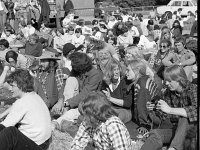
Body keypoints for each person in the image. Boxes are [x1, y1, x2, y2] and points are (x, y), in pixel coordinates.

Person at [141, 65, 197, 150]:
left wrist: (170, 110)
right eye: (166, 80)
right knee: (156, 134)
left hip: (193, 132)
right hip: (178, 131)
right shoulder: (169, 92)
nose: (166, 83)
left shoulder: (193, 89)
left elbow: (196, 110)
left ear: (179, 80)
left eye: (169, 81)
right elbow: (164, 115)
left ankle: (174, 148)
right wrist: (156, 108)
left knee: (184, 117)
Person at [0, 69, 51, 150]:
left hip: (35, 144)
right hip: (44, 142)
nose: (10, 89)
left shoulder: (22, 102)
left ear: (21, 85)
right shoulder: (34, 96)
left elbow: (4, 126)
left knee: (10, 133)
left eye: (12, 86)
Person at [126, 59, 162, 135]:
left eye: (128, 70)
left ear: (136, 71)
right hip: (152, 114)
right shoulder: (143, 79)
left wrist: (144, 124)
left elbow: (143, 105)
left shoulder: (142, 85)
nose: (126, 73)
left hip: (153, 118)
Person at [101, 58, 132, 123]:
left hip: (123, 110)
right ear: (108, 71)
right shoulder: (105, 82)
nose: (117, 72)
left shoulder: (125, 82)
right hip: (110, 109)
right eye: (114, 70)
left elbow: (127, 103)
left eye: (118, 69)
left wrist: (110, 98)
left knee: (119, 117)